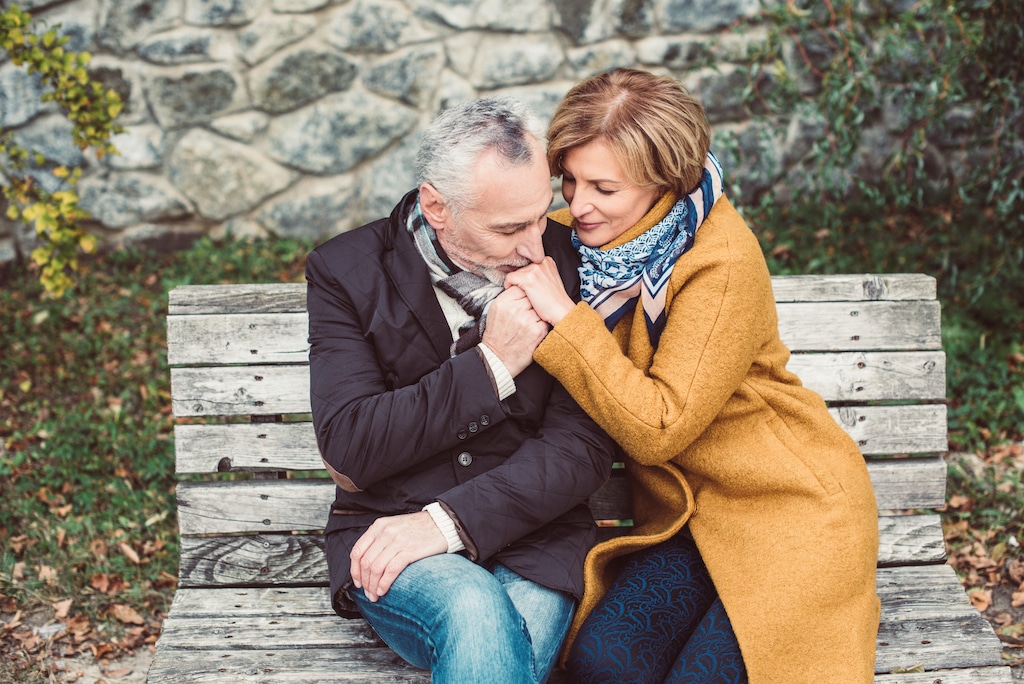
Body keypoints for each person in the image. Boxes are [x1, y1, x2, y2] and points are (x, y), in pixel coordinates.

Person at [504, 68, 881, 683]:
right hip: (687, 518)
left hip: (790, 512)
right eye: (567, 180)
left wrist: (564, 318)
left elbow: (659, 428)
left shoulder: (719, 260)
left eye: (603, 186)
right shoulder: (581, 240)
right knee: (603, 665)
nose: (577, 204)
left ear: (666, 182)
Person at [305, 97, 617, 684]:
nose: (535, 245)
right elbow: (351, 443)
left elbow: (581, 450)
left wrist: (447, 522)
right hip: (388, 533)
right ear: (437, 206)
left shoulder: (576, 268)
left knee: (496, 632)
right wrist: (493, 364)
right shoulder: (346, 271)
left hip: (536, 539)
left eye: (540, 216)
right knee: (472, 609)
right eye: (509, 227)